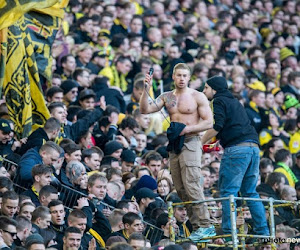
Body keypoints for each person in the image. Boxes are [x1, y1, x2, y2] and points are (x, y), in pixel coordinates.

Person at [139, 63, 215, 236]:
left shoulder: (198, 96)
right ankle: (197, 227)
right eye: (178, 75)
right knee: (180, 187)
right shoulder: (167, 97)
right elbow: (145, 109)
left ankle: (206, 224)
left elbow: (209, 122)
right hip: (175, 142)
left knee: (192, 182)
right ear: (173, 77)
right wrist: (146, 89)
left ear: (189, 78)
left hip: (192, 140)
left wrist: (186, 129)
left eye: (184, 76)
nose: (181, 79)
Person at [202, 75, 269, 239]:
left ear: (214, 89)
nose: (204, 91)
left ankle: (228, 233)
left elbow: (217, 126)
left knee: (228, 192)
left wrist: (200, 141)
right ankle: (264, 231)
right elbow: (229, 126)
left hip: (237, 150)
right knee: (250, 192)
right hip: (254, 148)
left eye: (206, 88)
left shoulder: (217, 101)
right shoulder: (235, 102)